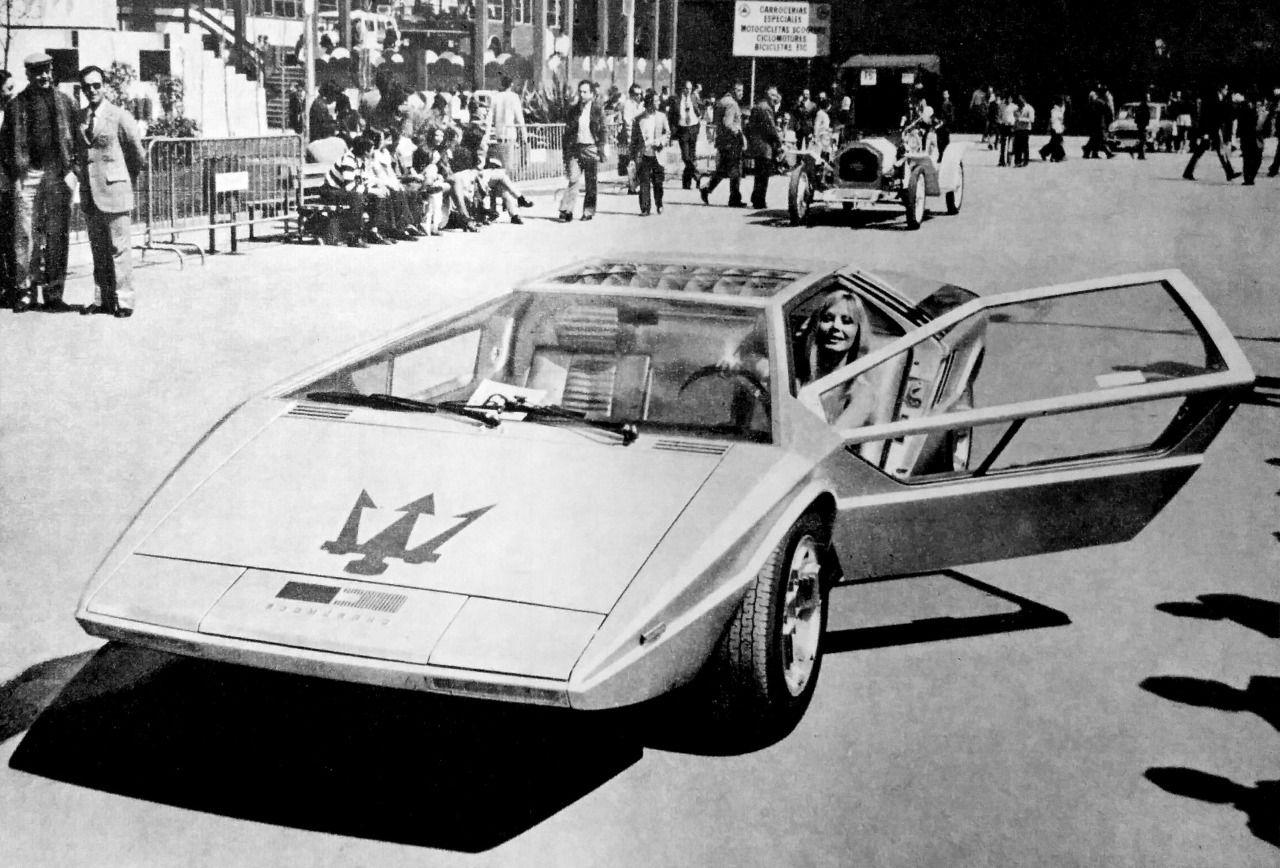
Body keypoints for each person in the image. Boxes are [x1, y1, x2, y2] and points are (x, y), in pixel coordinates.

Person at [0, 53, 78, 312]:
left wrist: (73, 171)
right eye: (37, 72)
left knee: (57, 234)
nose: (43, 76)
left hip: (57, 174)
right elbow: (4, 146)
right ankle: (25, 291)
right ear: (28, 75)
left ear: (51, 70)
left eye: (46, 70)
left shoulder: (65, 101)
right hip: (28, 174)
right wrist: (14, 176)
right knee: (25, 235)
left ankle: (54, 293)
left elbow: (77, 140)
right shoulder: (16, 105)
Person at [74, 64, 146, 318]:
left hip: (115, 191)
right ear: (82, 89)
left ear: (104, 86)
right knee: (98, 249)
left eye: (96, 85)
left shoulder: (119, 116)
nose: (92, 90)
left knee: (119, 249)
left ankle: (124, 300)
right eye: (87, 87)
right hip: (91, 193)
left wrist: (123, 179)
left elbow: (137, 155)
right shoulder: (79, 118)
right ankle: (102, 299)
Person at [794, 288, 876, 430]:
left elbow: (830, 440)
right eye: (828, 319)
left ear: (858, 332)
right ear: (816, 326)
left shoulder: (862, 393)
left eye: (847, 321)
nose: (836, 326)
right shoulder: (795, 374)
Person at [558, 79, 605, 222]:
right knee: (573, 178)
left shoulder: (597, 110)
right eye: (580, 92)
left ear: (592, 94)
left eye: (585, 92)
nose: (582, 94)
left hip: (591, 148)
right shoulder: (573, 110)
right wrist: (566, 151)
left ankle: (588, 211)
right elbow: (567, 132)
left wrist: (601, 148)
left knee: (591, 183)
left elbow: (603, 130)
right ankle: (566, 210)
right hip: (576, 149)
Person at [700, 81, 745, 207]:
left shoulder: (721, 101)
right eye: (739, 90)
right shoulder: (732, 104)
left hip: (722, 141)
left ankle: (707, 189)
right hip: (732, 142)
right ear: (733, 90)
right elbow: (728, 123)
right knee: (736, 170)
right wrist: (739, 134)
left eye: (742, 90)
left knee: (723, 169)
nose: (741, 93)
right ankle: (734, 198)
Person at [1183, 83, 1238, 181]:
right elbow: (1206, 116)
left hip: (1214, 128)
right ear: (1221, 89)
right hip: (1211, 129)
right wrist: (1205, 132)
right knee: (1219, 150)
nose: (1226, 91)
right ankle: (1229, 173)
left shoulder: (1219, 98)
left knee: (1203, 150)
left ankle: (1188, 172)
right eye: (1225, 89)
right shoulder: (1212, 98)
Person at [631, 90, 669, 216]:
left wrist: (661, 141)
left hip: (658, 154)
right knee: (644, 182)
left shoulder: (662, 117)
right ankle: (645, 208)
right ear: (650, 103)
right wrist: (632, 156)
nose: (658, 103)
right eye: (656, 101)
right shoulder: (638, 119)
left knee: (658, 182)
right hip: (644, 155)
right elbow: (634, 140)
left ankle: (659, 203)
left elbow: (667, 133)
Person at [746, 86, 782, 209]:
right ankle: (759, 200)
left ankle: (756, 197)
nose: (774, 98)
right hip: (765, 146)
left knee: (759, 173)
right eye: (772, 95)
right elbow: (771, 128)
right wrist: (779, 142)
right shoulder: (766, 108)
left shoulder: (757, 106)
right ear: (767, 95)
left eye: (776, 95)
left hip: (756, 144)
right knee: (764, 174)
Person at [489, 74, 526, 180]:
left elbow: (490, 116)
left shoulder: (495, 97)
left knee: (501, 163)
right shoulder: (514, 97)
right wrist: (524, 132)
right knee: (509, 164)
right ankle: (508, 183)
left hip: (499, 133)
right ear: (511, 84)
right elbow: (519, 117)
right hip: (510, 133)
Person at [669, 80, 702, 189]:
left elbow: (700, 107)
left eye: (690, 89)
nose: (689, 91)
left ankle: (686, 184)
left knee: (691, 156)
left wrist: (699, 116)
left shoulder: (693, 97)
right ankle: (697, 174)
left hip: (693, 128)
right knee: (686, 157)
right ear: (682, 89)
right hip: (682, 129)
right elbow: (671, 116)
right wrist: (672, 131)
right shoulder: (676, 100)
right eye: (687, 88)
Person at [0, 69, 15, 308]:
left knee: (9, 238)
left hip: (7, 185)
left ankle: (11, 288)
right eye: (9, 88)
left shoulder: (11, 114)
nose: (13, 92)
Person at [616, 83, 643, 193]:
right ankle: (633, 187)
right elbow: (628, 122)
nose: (639, 96)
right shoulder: (628, 104)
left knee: (638, 161)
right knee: (632, 161)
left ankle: (635, 185)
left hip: (639, 137)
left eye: (640, 94)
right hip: (630, 137)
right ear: (631, 94)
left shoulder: (640, 105)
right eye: (636, 94)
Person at [1039, 96, 1067, 162]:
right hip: (1055, 128)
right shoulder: (1054, 111)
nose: (1063, 104)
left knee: (1054, 143)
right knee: (1057, 143)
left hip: (1059, 128)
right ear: (1059, 103)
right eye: (1062, 103)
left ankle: (1043, 152)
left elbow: (1064, 108)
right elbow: (1053, 120)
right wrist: (1054, 128)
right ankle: (1056, 156)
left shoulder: (1060, 109)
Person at [1012, 93, 1034, 167]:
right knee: (1017, 146)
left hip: (1025, 129)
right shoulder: (1016, 109)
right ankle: (1017, 161)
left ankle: (1025, 161)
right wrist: (1014, 127)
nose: (1019, 101)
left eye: (1020, 99)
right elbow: (1015, 119)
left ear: (1024, 99)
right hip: (1018, 129)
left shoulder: (1029, 108)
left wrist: (1021, 119)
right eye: (1018, 99)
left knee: (1024, 146)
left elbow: (1032, 119)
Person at [1134, 92, 1151, 159]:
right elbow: (1145, 116)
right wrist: (1145, 122)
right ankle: (1141, 154)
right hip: (1142, 125)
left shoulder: (1141, 106)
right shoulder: (1144, 106)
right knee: (1142, 140)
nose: (1149, 98)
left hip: (1141, 124)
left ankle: (1140, 154)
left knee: (1142, 139)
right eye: (1148, 97)